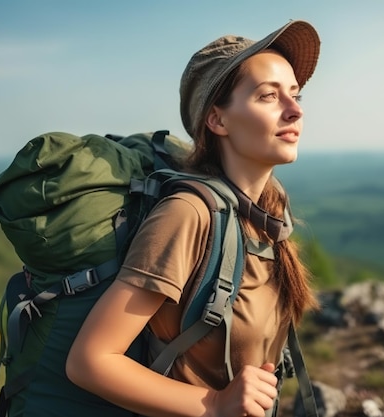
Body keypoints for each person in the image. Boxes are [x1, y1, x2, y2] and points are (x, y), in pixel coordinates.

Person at [66, 20, 321, 417]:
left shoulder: (268, 211)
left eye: (295, 94)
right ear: (217, 120)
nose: (295, 110)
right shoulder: (188, 215)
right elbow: (90, 360)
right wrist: (216, 403)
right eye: (269, 96)